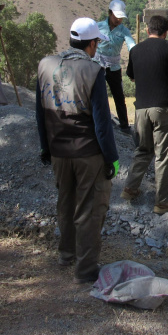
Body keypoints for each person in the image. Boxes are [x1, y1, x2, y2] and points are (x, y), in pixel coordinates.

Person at [35, 17, 120, 284]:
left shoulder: (45, 65)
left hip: (59, 150)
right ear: (92, 43)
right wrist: (112, 159)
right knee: (90, 210)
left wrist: (45, 148)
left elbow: (39, 113)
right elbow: (102, 124)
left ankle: (66, 254)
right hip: (88, 153)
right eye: (96, 43)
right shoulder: (93, 71)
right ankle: (85, 270)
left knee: (66, 203)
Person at [121, 15, 168, 215]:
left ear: (148, 30)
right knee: (165, 155)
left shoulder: (136, 50)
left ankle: (130, 189)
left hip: (141, 109)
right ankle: (162, 202)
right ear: (165, 32)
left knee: (142, 150)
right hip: (164, 108)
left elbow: (131, 75)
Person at [95, 0, 137, 133]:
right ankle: (99, 120)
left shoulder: (124, 31)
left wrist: (136, 54)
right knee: (97, 93)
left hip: (114, 67)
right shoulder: (98, 26)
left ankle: (124, 125)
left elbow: (131, 46)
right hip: (97, 65)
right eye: (116, 16)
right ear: (109, 13)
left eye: (120, 17)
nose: (118, 20)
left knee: (118, 96)